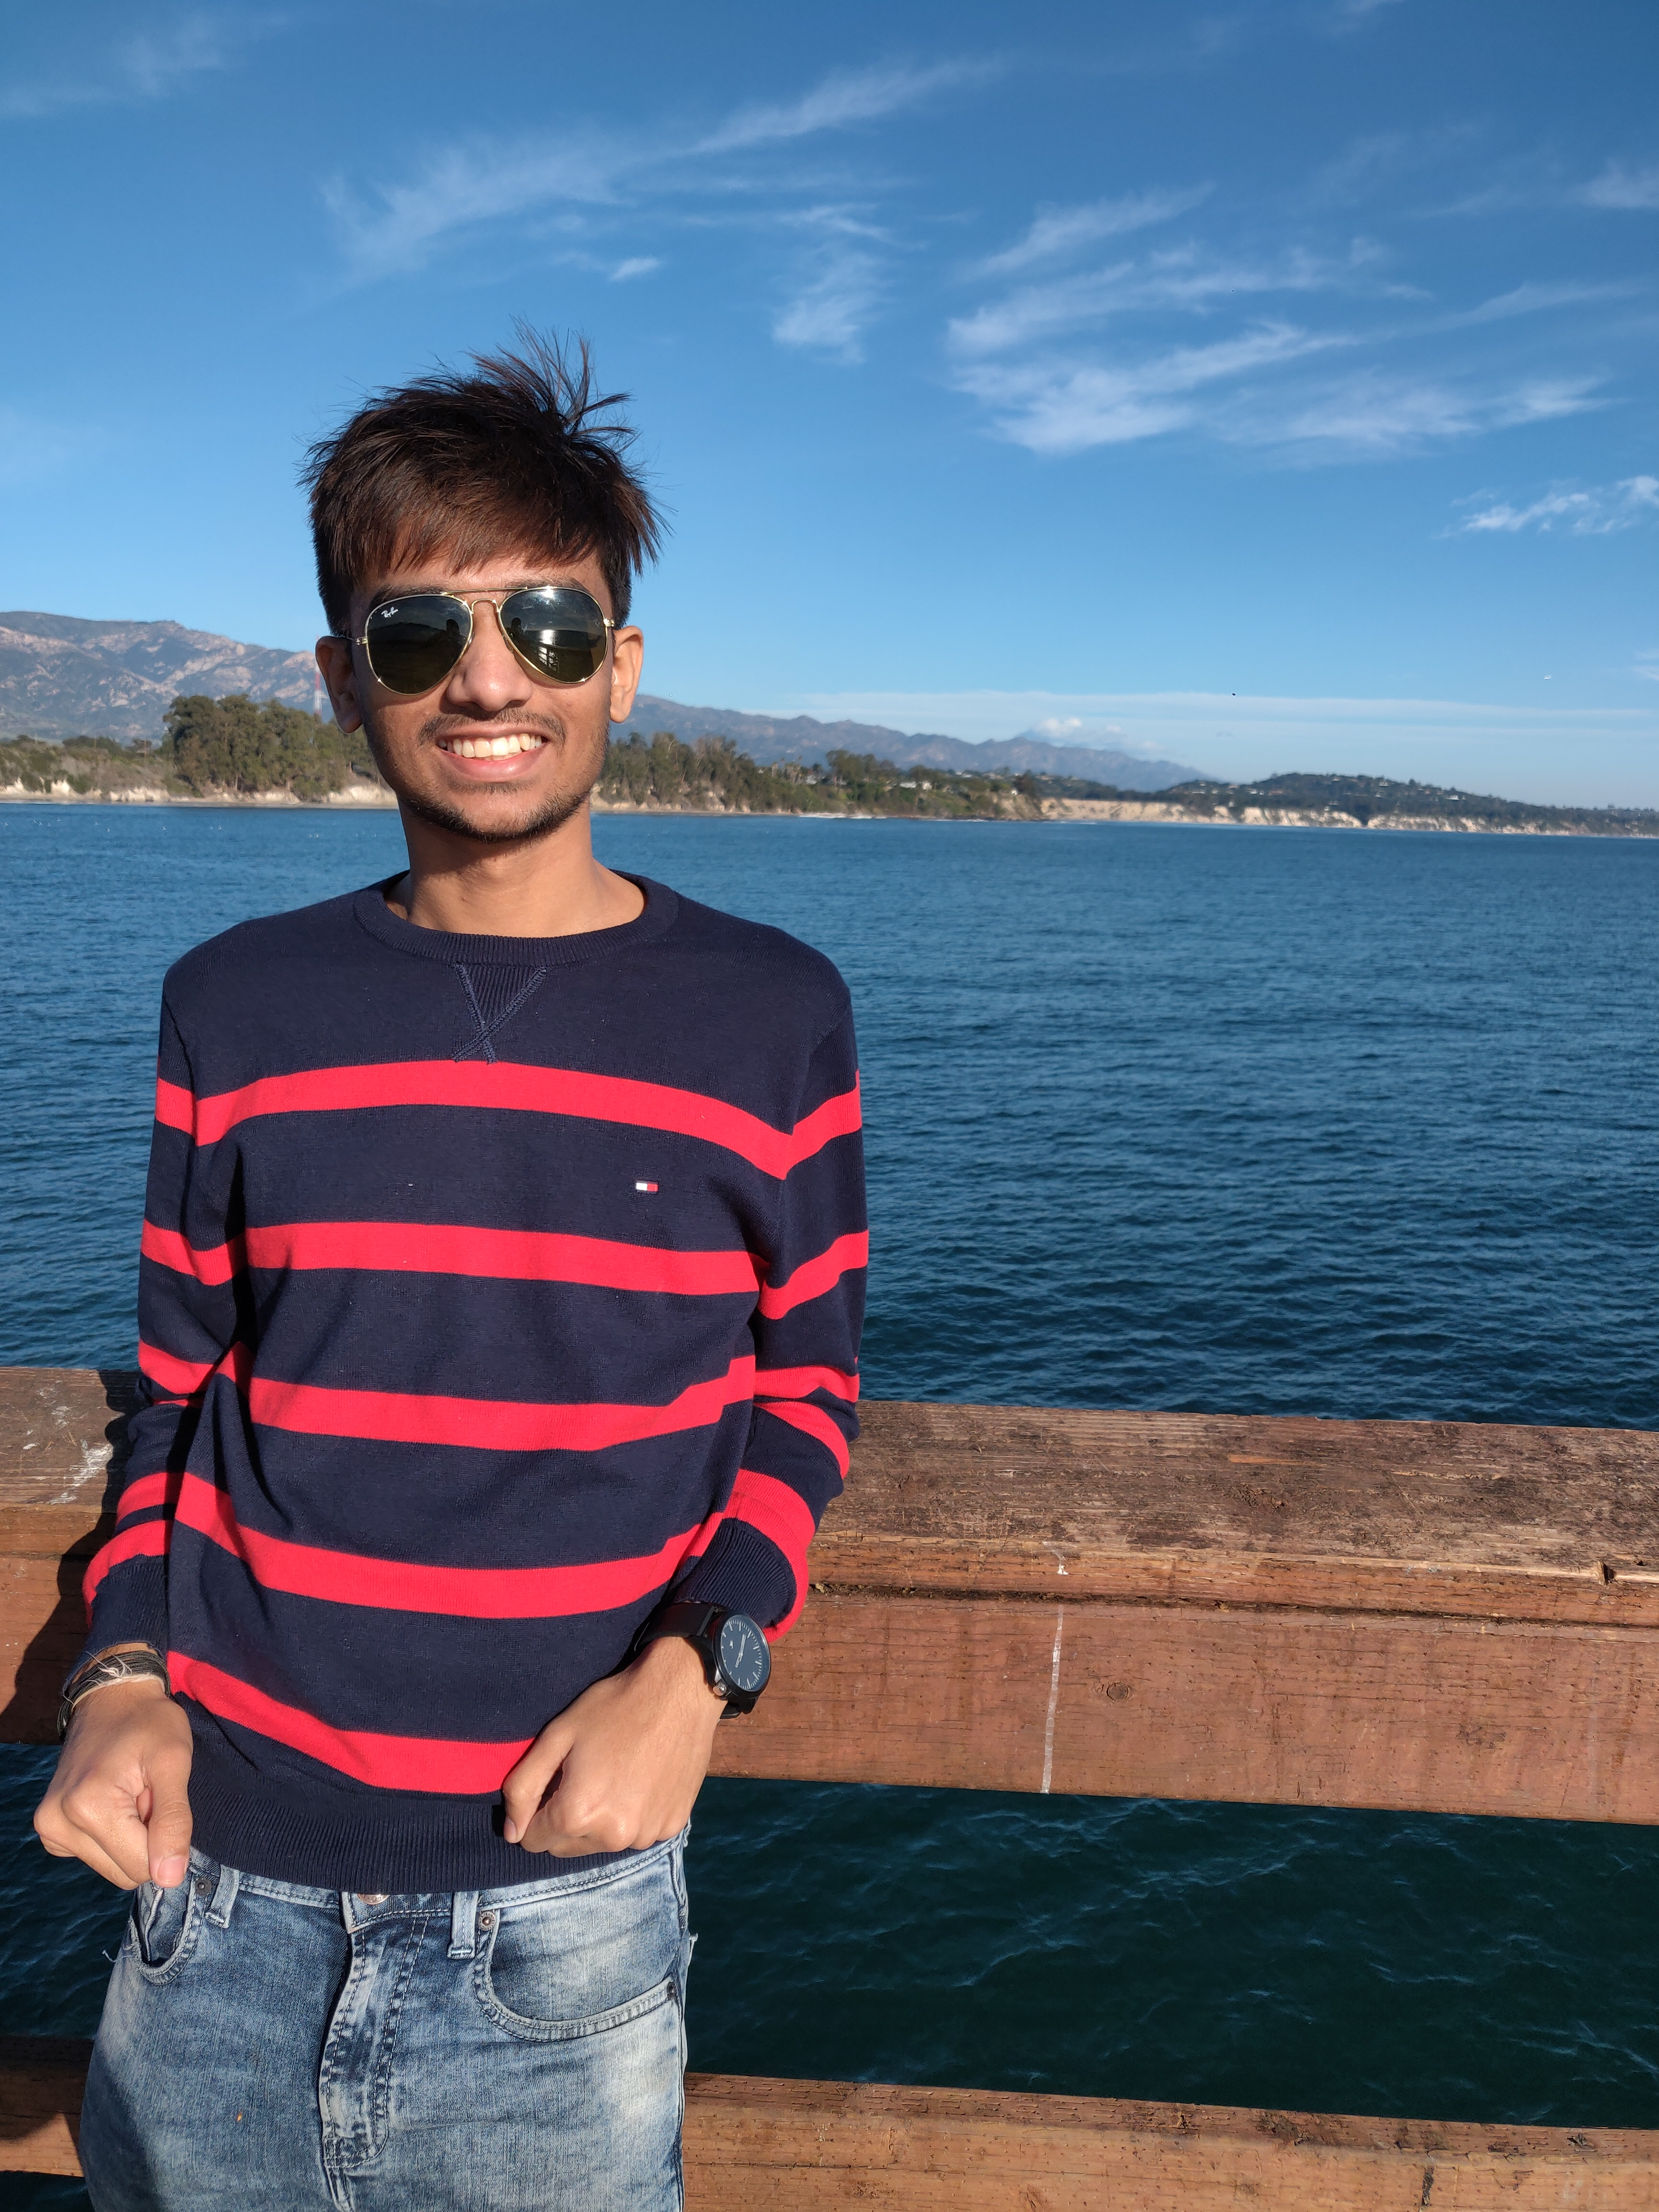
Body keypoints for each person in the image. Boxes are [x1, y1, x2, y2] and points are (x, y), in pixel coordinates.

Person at [34, 335, 866, 2212]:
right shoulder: (232, 1007)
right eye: (419, 632)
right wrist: (122, 1667)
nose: (489, 678)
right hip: (209, 1902)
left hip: (561, 1917)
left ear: (622, 668)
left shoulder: (772, 1015)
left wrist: (697, 1668)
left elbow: (810, 1388)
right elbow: (180, 1392)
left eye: (550, 627)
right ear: (343, 681)